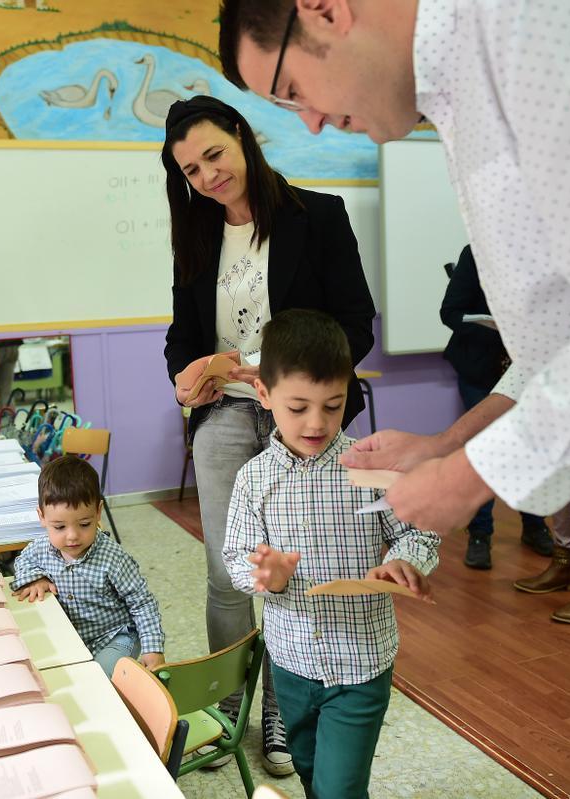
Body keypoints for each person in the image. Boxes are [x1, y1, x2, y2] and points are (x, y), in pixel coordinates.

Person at [218, 2, 570, 795]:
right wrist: (448, 444)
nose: (316, 122)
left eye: (292, 88)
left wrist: (467, 474)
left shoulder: (534, 21)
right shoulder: (458, 72)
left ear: (325, 11)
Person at [162, 94, 376, 774]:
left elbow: (356, 324)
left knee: (298, 560)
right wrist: (185, 375)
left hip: (301, 419)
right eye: (191, 171)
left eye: (214, 155)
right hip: (223, 415)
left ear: (242, 137)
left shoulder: (318, 216)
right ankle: (228, 707)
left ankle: (284, 709)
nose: (207, 176)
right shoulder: (197, 236)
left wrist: (267, 370)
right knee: (233, 567)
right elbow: (182, 338)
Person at [225, 309, 440, 798]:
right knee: (308, 771)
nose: (316, 422)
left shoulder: (368, 467)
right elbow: (236, 557)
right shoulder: (254, 480)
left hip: (361, 662)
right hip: (291, 662)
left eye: (333, 405)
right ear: (264, 394)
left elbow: (420, 532)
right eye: (298, 407)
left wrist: (406, 560)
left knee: (340, 789)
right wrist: (266, 574)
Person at [439, 245, 551, 569]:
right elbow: (450, 313)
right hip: (481, 366)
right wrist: (495, 327)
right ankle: (480, 535)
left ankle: (534, 525)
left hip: (527, 368)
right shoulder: (476, 253)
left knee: (530, 449)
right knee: (483, 450)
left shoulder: (542, 255)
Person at [10, 455, 165, 676]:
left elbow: (143, 604)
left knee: (97, 678)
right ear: (42, 516)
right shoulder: (41, 548)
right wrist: (36, 577)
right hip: (73, 637)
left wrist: (153, 648)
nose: (72, 536)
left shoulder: (113, 558)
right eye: (60, 527)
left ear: (98, 512)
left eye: (84, 524)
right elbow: (23, 560)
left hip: (116, 636)